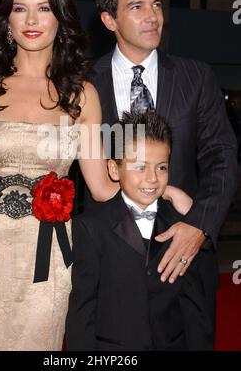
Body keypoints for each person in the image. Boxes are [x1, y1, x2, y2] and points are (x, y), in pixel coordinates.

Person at [0, 0, 119, 351]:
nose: (33, 20)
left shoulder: (82, 96)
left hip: (47, 254)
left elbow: (102, 188)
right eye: (21, 9)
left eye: (44, 8)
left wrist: (159, 182)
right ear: (7, 21)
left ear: (61, 19)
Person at [90, 0, 237, 290]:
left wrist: (199, 226)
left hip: (184, 252)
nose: (152, 15)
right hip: (105, 258)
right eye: (136, 6)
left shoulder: (196, 78)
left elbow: (222, 157)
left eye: (156, 4)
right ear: (109, 20)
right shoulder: (82, 83)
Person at [66, 111, 219, 351]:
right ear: (114, 170)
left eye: (161, 168)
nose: (152, 178)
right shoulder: (91, 227)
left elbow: (197, 305)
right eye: (140, 167)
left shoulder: (183, 228)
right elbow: (82, 309)